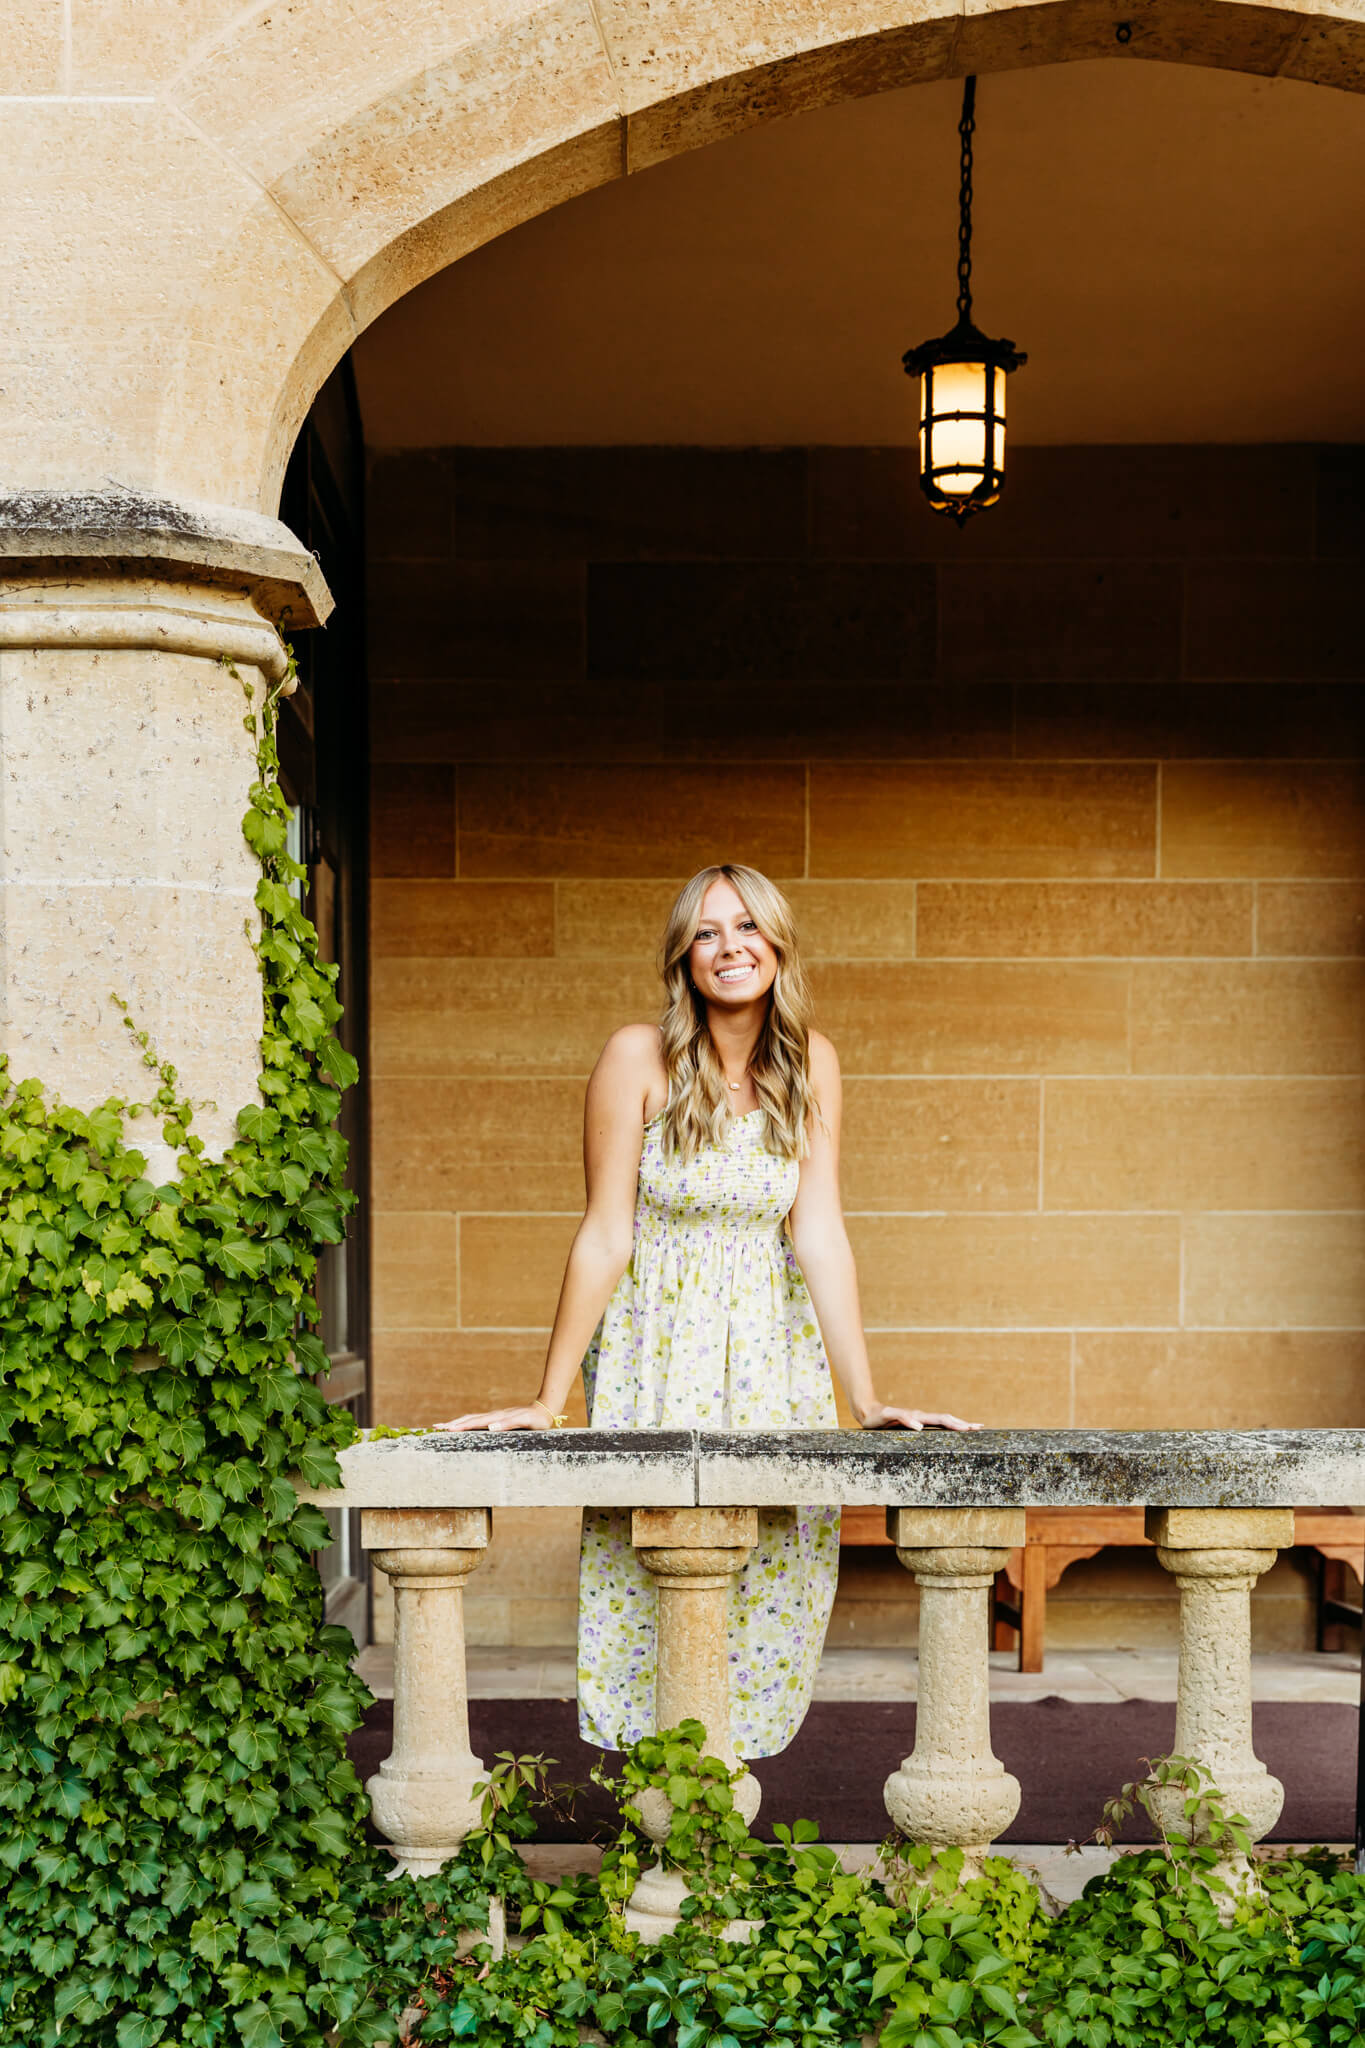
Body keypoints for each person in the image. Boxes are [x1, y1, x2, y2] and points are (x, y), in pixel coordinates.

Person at [441, 863, 978, 1759]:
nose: (730, 948)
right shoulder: (636, 1058)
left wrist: (866, 1400)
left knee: (774, 1570)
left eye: (747, 929)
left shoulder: (810, 1065)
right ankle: (662, 1805)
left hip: (775, 1352)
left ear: (777, 946)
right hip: (662, 1349)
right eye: (706, 933)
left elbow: (820, 1234)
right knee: (655, 1562)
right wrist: (548, 1400)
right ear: (684, 958)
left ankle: (719, 1802)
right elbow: (606, 1233)